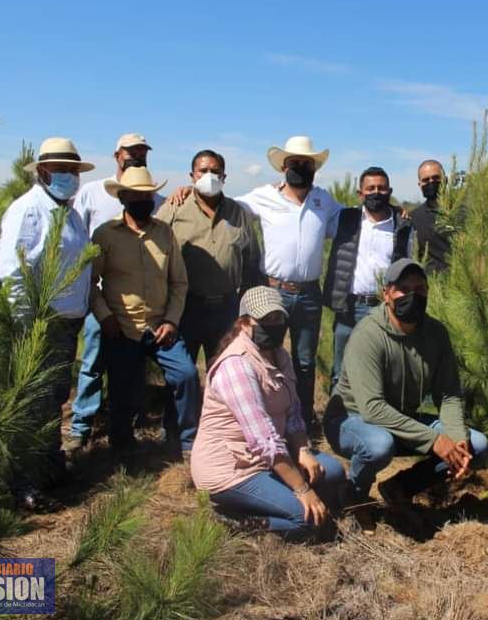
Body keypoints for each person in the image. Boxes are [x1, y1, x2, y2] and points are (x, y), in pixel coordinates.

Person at [324, 258, 488, 529]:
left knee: (477, 445)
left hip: (399, 420)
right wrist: (435, 440)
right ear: (386, 294)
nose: (413, 296)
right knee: (378, 446)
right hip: (351, 421)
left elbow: (448, 394)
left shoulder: (436, 333)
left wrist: (457, 440)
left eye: (420, 289)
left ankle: (399, 488)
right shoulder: (368, 334)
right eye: (403, 289)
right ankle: (354, 496)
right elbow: (372, 408)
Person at [192, 287, 345, 542]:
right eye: (265, 320)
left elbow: (293, 410)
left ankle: (269, 499)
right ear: (244, 323)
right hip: (234, 469)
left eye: (278, 319)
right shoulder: (236, 366)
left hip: (266, 459)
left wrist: (303, 451)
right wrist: (302, 489)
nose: (274, 326)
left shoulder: (279, 355)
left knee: (334, 473)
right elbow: (265, 441)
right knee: (307, 521)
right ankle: (243, 521)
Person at [0, 138, 95, 508]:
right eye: (62, 170)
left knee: (54, 399)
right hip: (40, 325)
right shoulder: (28, 211)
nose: (69, 176)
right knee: (34, 402)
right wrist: (29, 327)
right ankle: (23, 483)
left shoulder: (67, 212)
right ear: (42, 172)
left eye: (73, 170)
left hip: (67, 322)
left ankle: (49, 467)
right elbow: (14, 272)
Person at [90, 166, 201, 459]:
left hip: (160, 328)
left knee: (187, 376)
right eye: (136, 196)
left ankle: (186, 441)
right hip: (122, 327)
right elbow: (89, 284)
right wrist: (105, 317)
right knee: (121, 389)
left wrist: (171, 321)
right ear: (123, 198)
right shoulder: (104, 236)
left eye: (148, 195)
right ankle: (122, 444)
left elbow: (179, 282)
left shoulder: (165, 233)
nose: (144, 201)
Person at [234, 136, 342, 426]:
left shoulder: (324, 201)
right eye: (294, 163)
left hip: (309, 294)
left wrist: (395, 213)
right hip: (273, 291)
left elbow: (355, 219)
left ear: (314, 168)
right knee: (267, 357)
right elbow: (227, 206)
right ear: (283, 166)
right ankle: (271, 418)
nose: (300, 168)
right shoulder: (264, 196)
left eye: (306, 163)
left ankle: (303, 418)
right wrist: (187, 193)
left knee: (304, 362)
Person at [68, 133, 163, 452]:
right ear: (116, 155)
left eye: (141, 152)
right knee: (93, 362)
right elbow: (77, 237)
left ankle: (125, 420)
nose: (136, 157)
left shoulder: (155, 198)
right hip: (101, 296)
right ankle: (82, 425)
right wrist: (99, 307)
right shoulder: (93, 192)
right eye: (130, 152)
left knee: (130, 368)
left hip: (138, 303)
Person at [155, 149, 261, 366]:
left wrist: (247, 311)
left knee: (225, 368)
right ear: (192, 175)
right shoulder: (174, 208)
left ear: (224, 177)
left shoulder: (238, 213)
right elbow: (154, 252)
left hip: (226, 308)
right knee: (183, 373)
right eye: (203, 171)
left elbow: (251, 262)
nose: (209, 176)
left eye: (215, 171)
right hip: (186, 306)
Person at [323, 166, 413, 391]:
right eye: (370, 188)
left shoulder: (401, 227)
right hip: (349, 308)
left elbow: (408, 263)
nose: (376, 193)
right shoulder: (345, 219)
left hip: (383, 309)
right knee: (341, 371)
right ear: (360, 193)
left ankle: (373, 421)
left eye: (382, 188)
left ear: (389, 191)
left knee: (381, 371)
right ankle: (337, 422)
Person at [409, 159, 452, 274]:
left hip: (462, 285)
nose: (431, 182)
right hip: (430, 286)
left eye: (436, 178)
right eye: (426, 180)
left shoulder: (464, 212)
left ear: (445, 180)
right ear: (420, 185)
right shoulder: (413, 218)